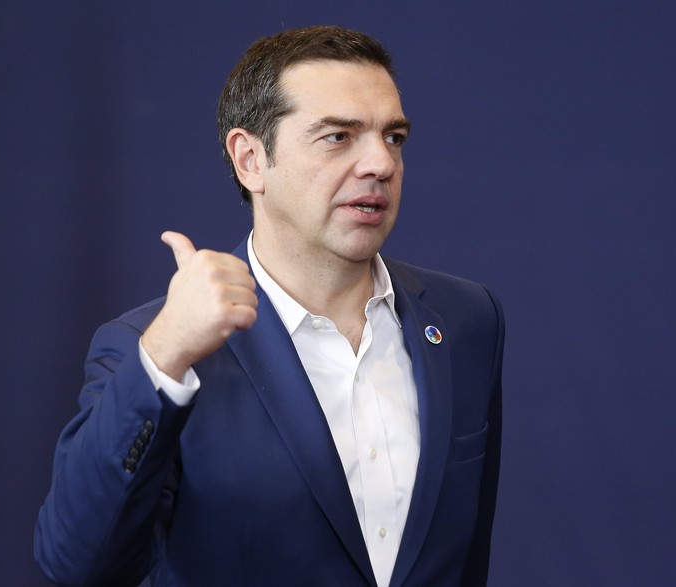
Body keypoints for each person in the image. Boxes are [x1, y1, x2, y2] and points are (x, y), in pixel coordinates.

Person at [35, 25, 504, 587]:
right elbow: (76, 562)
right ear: (250, 160)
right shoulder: (150, 348)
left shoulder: (466, 320)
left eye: (394, 137)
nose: (380, 163)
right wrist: (165, 354)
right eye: (338, 136)